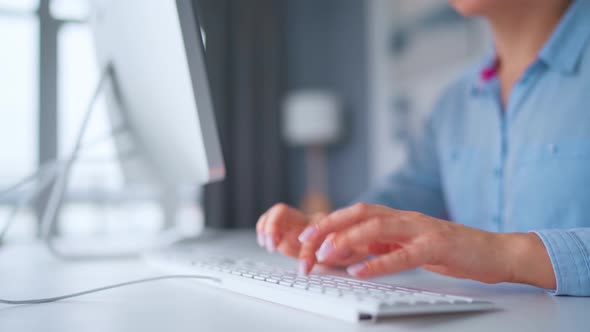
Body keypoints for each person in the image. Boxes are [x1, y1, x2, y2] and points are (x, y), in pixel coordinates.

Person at [256, 0, 590, 296]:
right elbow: (400, 199)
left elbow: (487, 251)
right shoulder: (454, 103)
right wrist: (334, 236)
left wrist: (501, 252)